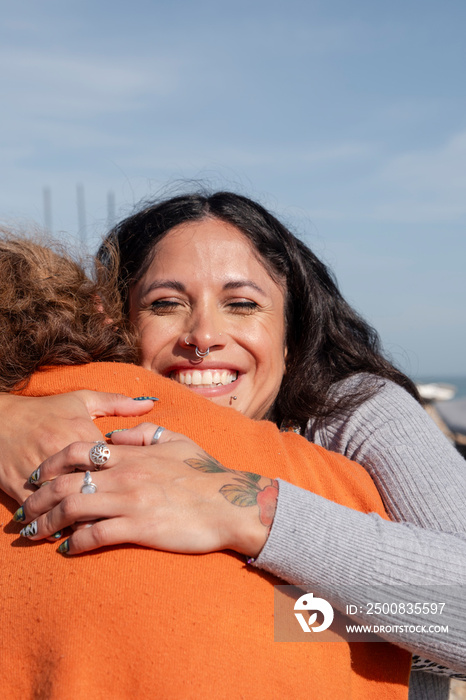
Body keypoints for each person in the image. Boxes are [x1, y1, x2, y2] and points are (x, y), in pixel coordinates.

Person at [3, 191, 466, 699]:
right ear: (120, 321)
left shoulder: (353, 414)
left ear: (291, 330)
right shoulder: (71, 418)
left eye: (241, 304)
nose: (203, 336)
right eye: (166, 304)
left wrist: (243, 511)